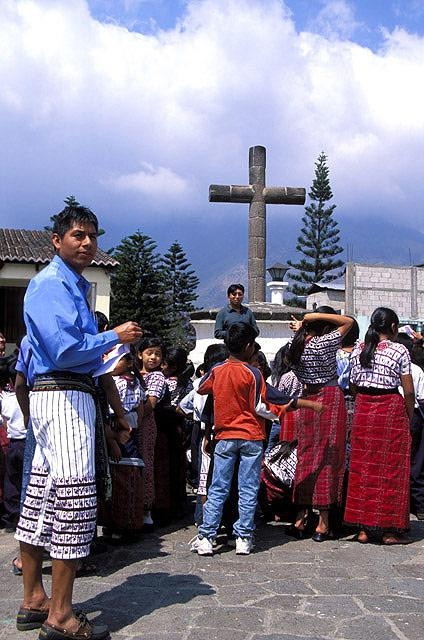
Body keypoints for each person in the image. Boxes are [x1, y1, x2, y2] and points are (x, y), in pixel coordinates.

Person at [14, 202, 143, 640]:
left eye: (91, 235)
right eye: (77, 235)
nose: (87, 242)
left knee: (40, 499)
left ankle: (35, 599)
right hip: (64, 393)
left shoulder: (68, 284)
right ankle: (61, 615)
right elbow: (67, 349)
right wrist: (115, 335)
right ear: (57, 240)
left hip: (57, 396)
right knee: (74, 499)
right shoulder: (52, 283)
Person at [190, 322, 323, 556]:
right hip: (251, 436)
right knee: (248, 488)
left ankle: (207, 536)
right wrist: (291, 408)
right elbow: (263, 404)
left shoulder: (217, 370)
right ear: (250, 346)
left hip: (224, 437)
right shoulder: (253, 373)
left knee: (218, 487)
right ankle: (243, 537)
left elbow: (201, 388)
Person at [344, 308, 414, 544]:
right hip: (390, 410)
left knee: (363, 468)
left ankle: (363, 529)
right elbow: (409, 390)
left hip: (364, 409)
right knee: (391, 470)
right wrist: (409, 414)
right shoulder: (399, 350)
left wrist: (365, 399)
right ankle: (389, 530)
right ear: (394, 327)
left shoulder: (358, 350)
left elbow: (352, 385)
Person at [287, 307, 354, 542]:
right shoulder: (322, 343)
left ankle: (300, 518)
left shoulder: (294, 346)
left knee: (306, 456)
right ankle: (323, 523)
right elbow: (347, 322)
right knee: (328, 457)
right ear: (325, 327)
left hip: (307, 400)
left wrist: (305, 324)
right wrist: (314, 317)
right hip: (329, 398)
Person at [136, 336, 169, 529]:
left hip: (145, 423)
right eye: (149, 353)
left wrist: (134, 418)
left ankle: (146, 508)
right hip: (131, 422)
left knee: (146, 463)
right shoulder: (134, 373)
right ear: (140, 355)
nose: (153, 357)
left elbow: (151, 403)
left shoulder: (156, 377)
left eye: (157, 354)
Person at [0, 356, 26, 532]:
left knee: (11, 481)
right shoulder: (29, 397)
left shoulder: (6, 400)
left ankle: (11, 515)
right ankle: (26, 515)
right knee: (28, 481)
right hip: (26, 444)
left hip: (12, 444)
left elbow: (4, 421)